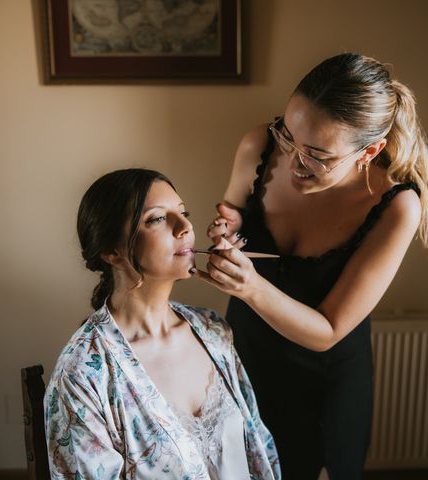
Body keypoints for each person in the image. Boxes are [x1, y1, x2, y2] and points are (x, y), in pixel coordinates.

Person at [196, 53, 428, 480]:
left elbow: (327, 332)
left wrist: (249, 287)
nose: (292, 161)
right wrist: (228, 227)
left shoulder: (398, 207)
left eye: (317, 155)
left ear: (371, 151)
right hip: (244, 360)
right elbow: (234, 210)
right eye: (288, 137)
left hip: (325, 388)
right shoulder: (258, 145)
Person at [44, 168, 280, 479]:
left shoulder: (212, 330)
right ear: (111, 251)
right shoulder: (83, 374)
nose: (185, 227)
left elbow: (257, 450)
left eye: (184, 213)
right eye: (157, 219)